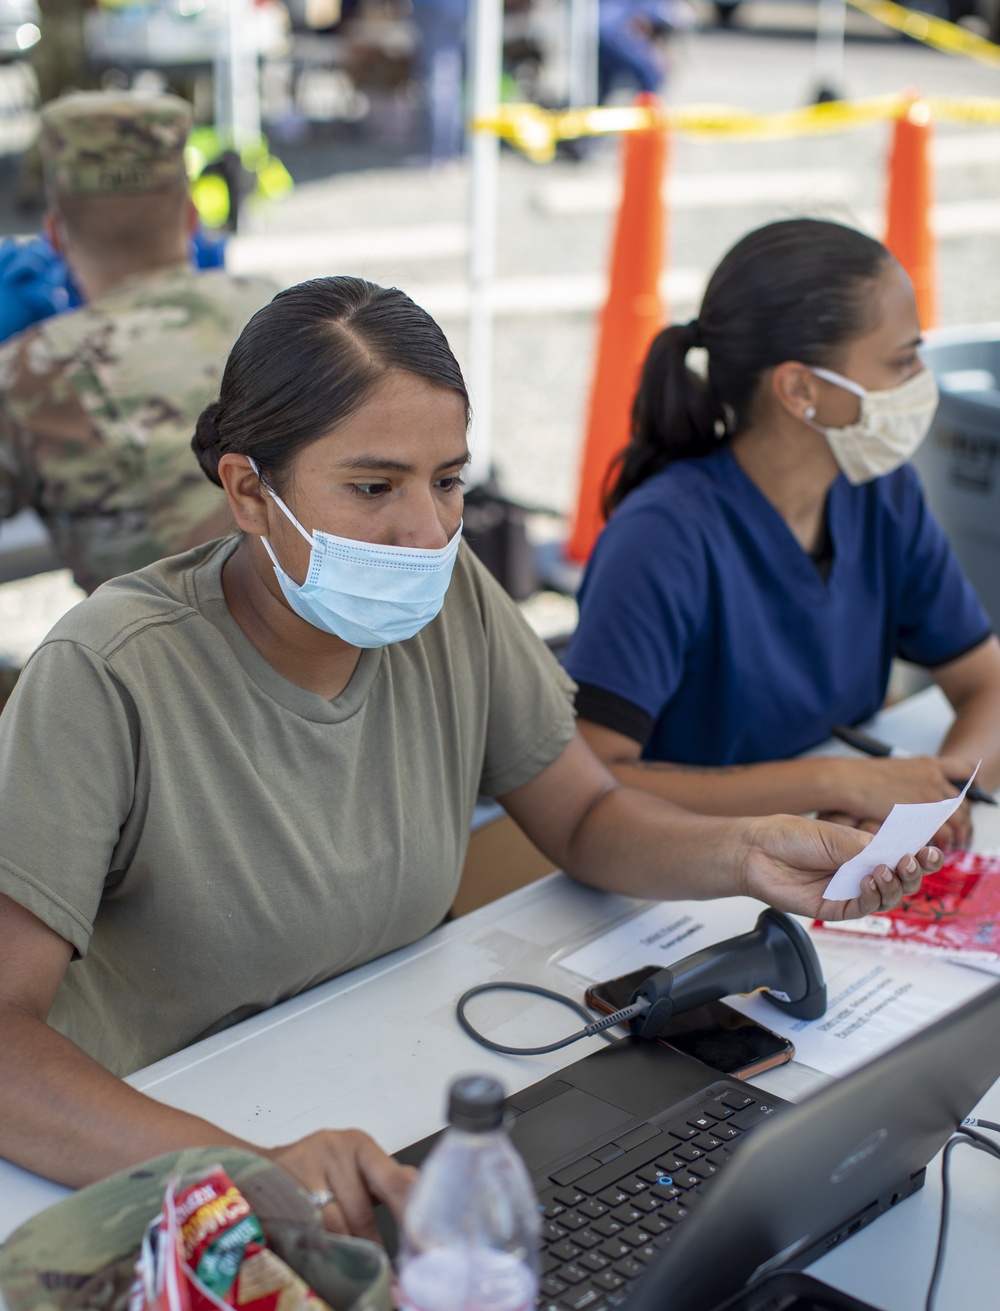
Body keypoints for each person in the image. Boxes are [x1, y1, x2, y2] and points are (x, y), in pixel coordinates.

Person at [0, 276, 939, 1240]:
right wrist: (242, 1173)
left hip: (383, 1091)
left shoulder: (452, 600)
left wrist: (744, 853)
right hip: (152, 1152)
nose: (428, 531)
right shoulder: (107, 674)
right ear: (248, 490)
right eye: (373, 488)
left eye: (447, 480)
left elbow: (579, 814)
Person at [564, 219, 1000, 849]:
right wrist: (837, 783)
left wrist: (929, 797)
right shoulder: (662, 538)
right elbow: (594, 779)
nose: (920, 380)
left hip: (836, 849)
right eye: (902, 360)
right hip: (687, 873)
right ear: (802, 389)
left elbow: (987, 683)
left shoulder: (884, 494)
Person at [0, 90, 276, 596]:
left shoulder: (31, 369)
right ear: (193, 218)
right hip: (331, 649)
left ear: (55, 236)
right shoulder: (287, 311)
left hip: (152, 662)